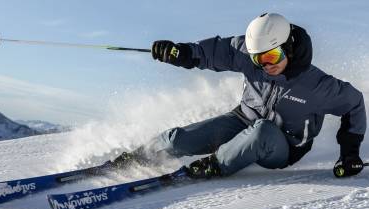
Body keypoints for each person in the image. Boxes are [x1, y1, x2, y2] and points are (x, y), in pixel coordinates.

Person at [109, 13, 366, 179]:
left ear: (288, 47)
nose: (266, 65)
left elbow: (354, 104)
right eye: (258, 59)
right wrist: (180, 53)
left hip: (283, 146)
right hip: (243, 118)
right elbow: (212, 53)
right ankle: (138, 155)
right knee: (178, 140)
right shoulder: (250, 52)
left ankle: (214, 165)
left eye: (272, 57)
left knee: (262, 131)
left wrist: (350, 152)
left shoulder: (317, 85)